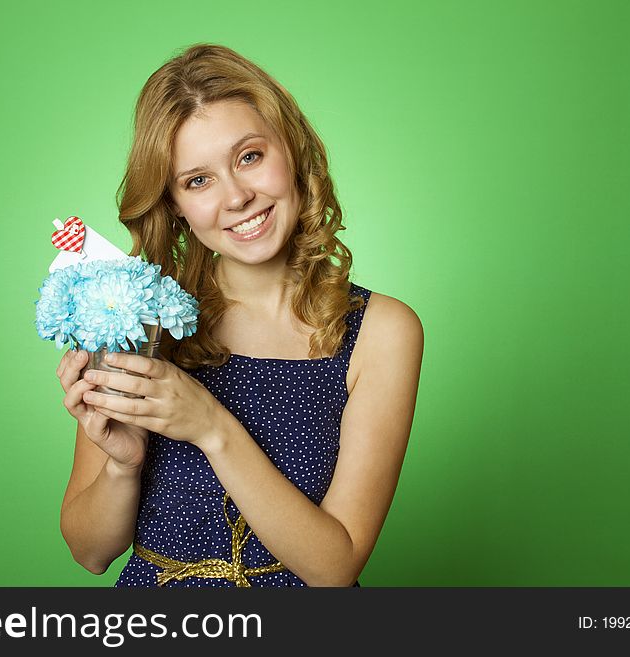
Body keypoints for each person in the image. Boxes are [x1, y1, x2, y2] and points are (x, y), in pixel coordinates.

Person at [56, 43, 424, 587]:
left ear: (291, 152)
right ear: (175, 203)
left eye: (249, 156)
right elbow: (89, 552)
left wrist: (210, 426)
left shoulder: (382, 331)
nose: (237, 197)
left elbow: (335, 568)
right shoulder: (139, 317)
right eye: (198, 180)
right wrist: (122, 465)